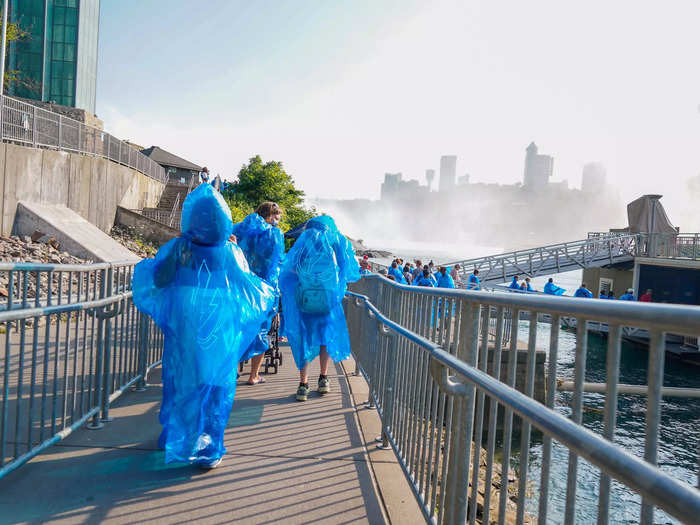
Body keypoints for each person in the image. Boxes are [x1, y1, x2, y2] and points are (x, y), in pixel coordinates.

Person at [132, 184, 277, 468]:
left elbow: (158, 280)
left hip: (185, 327)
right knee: (217, 383)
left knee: (182, 379)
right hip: (221, 328)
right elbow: (248, 289)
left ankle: (177, 436)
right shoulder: (230, 252)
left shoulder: (178, 249)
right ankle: (209, 446)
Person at [279, 215, 361, 401]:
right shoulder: (335, 243)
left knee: (304, 339)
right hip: (327, 299)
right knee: (324, 338)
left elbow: (289, 271)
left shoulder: (303, 245)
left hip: (305, 299)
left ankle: (303, 384)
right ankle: (323, 378)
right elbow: (347, 268)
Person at [232, 202, 285, 386]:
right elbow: (275, 268)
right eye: (276, 218)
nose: (277, 222)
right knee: (261, 331)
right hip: (263, 291)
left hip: (239, 287)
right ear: (270, 216)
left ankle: (234, 370)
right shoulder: (273, 235)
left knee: (238, 329)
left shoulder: (239, 229)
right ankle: (253, 375)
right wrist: (276, 300)